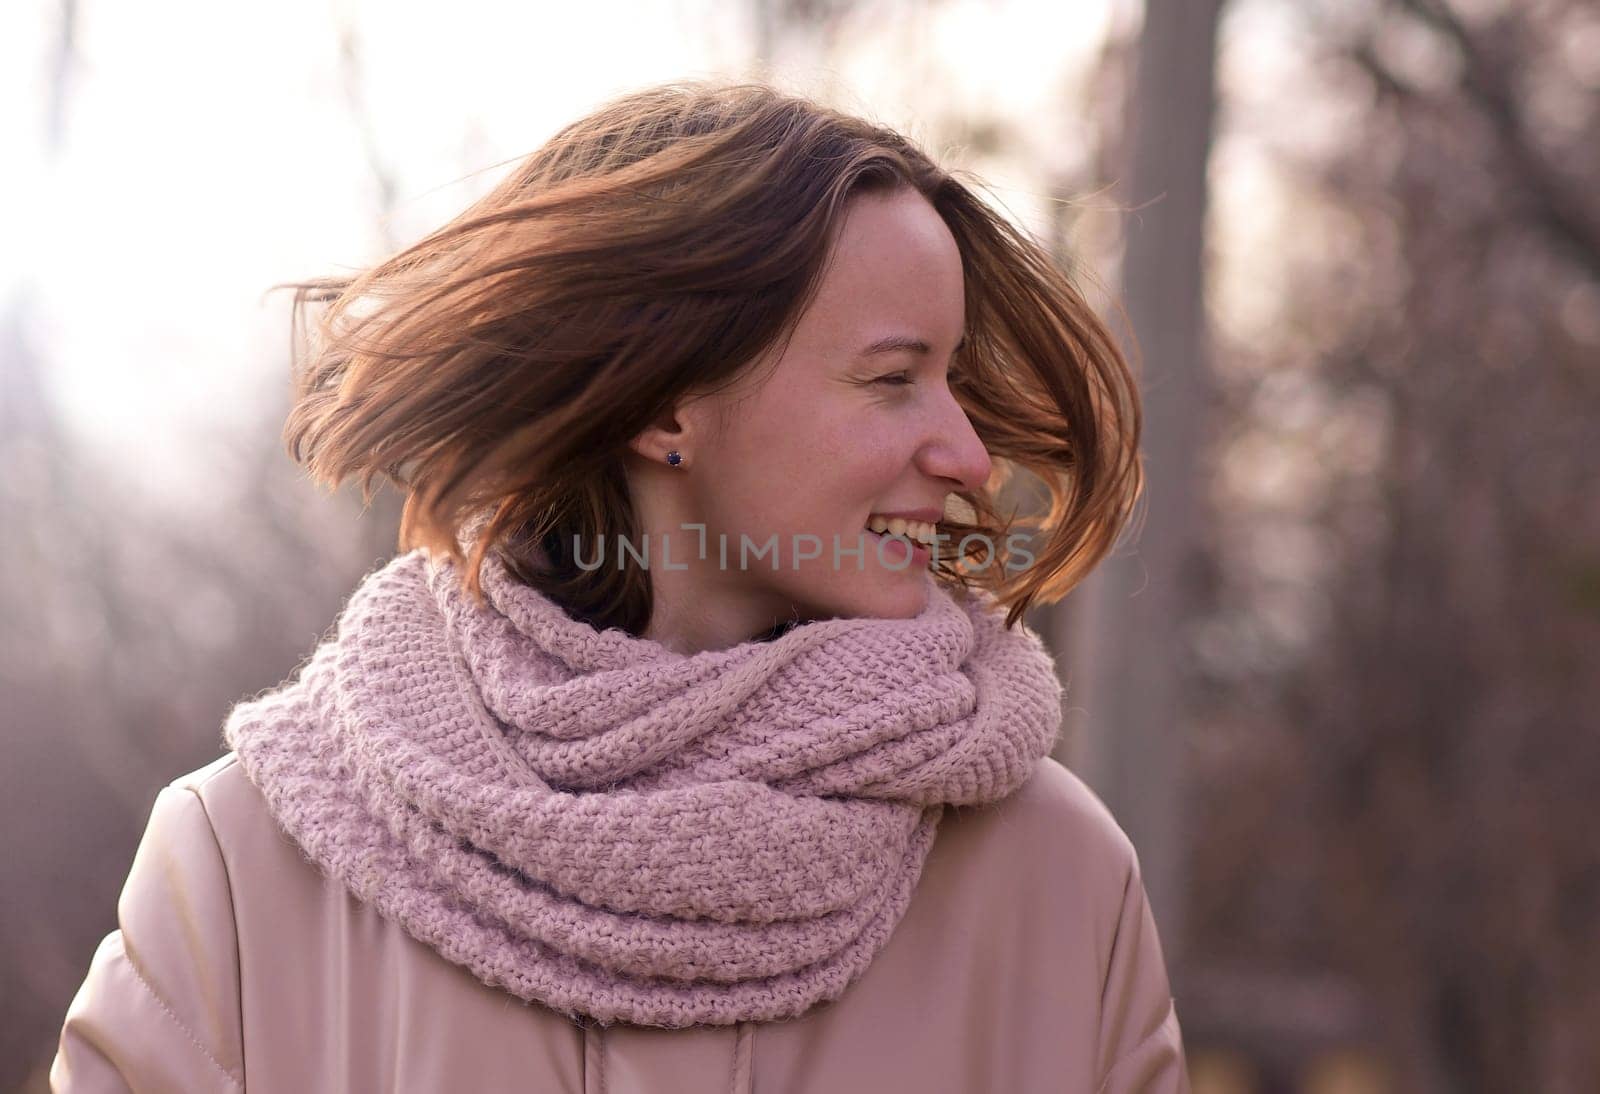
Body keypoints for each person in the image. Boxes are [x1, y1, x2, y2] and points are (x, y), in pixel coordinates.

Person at [49, 79, 1189, 1092]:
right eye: (893, 379)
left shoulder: (1057, 882)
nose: (969, 456)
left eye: (950, 380)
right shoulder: (244, 871)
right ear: (663, 406)